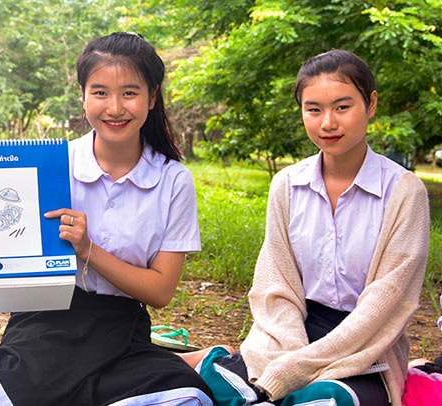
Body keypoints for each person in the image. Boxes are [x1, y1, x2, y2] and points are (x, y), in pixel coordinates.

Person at [0, 32, 213, 405]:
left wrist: (87, 249)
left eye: (129, 93)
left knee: (186, 396)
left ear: (152, 97)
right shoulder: (51, 164)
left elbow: (160, 292)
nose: (114, 107)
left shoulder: (173, 180)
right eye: (100, 92)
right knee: (13, 390)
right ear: (82, 95)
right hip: (49, 321)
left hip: (122, 328)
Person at [183, 49, 430, 406]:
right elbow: (276, 285)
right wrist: (291, 356)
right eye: (313, 109)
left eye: (342, 107)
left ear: (371, 104)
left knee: (324, 400)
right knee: (204, 386)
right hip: (289, 334)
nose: (327, 122)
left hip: (366, 348)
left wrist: (295, 371)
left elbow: (385, 305)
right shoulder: (287, 184)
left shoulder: (405, 192)